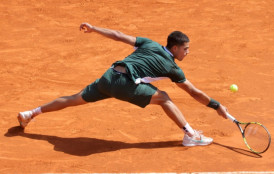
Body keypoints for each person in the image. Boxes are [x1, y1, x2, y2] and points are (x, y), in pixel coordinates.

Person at [17, 22, 229, 147]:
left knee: (75, 98)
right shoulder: (173, 68)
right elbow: (193, 92)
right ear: (174, 48)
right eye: (185, 49)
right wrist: (217, 105)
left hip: (109, 76)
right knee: (164, 98)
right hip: (125, 84)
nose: (187, 53)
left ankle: (31, 113)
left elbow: (118, 36)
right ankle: (190, 136)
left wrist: (94, 28)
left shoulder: (149, 43)